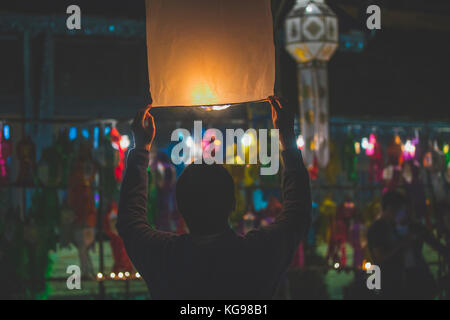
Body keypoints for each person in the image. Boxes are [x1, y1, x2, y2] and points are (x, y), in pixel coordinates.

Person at [116, 97, 312, 299]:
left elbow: (130, 222)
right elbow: (298, 215)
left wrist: (141, 148)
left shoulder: (165, 258)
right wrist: (287, 140)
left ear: (181, 208)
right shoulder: (256, 255)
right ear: (233, 204)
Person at [368, 190, 449, 299]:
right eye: (400, 210)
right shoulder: (377, 229)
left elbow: (435, 244)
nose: (404, 213)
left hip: (416, 279)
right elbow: (380, 257)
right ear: (390, 209)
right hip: (393, 283)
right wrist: (402, 245)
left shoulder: (412, 226)